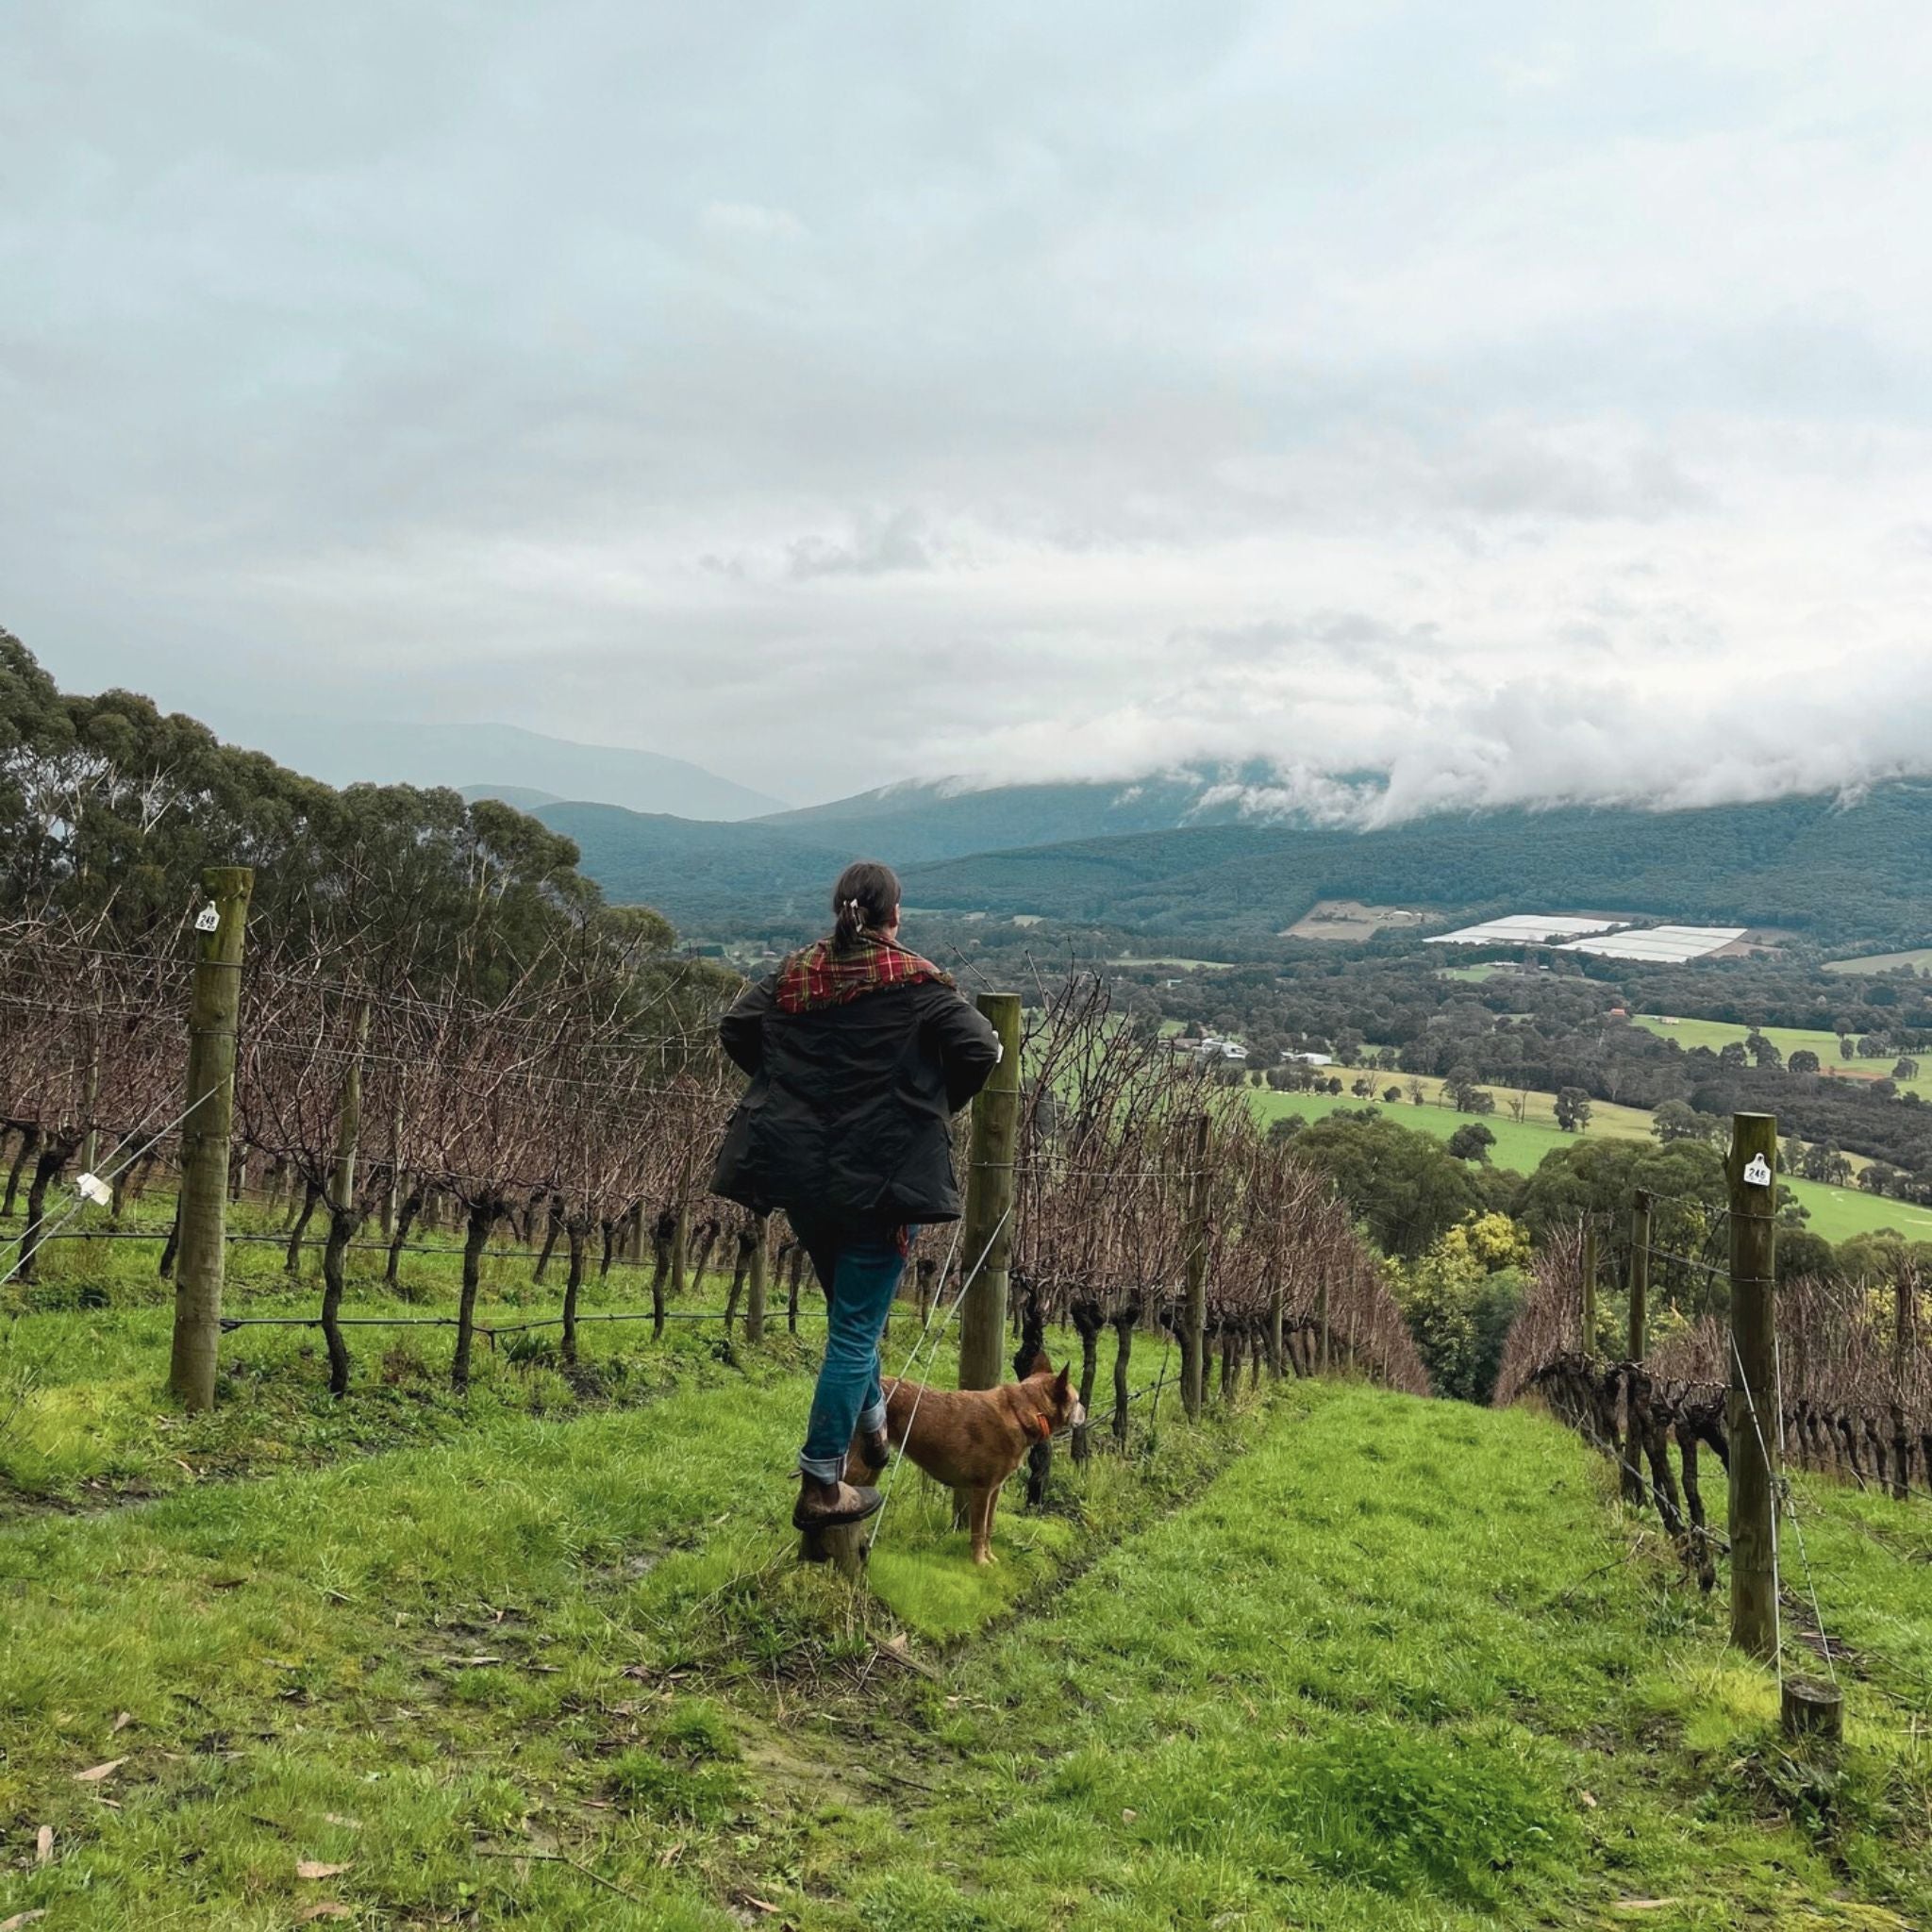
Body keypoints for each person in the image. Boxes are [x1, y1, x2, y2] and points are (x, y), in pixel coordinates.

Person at [711, 861, 1001, 1531]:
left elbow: (736, 1028)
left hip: (804, 1179)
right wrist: (927, 1103)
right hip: (883, 1182)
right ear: (894, 917)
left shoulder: (795, 977)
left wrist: (793, 1086)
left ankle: (873, 1425)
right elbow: (981, 1048)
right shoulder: (915, 985)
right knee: (853, 1333)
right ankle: (820, 1482)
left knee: (852, 1318)